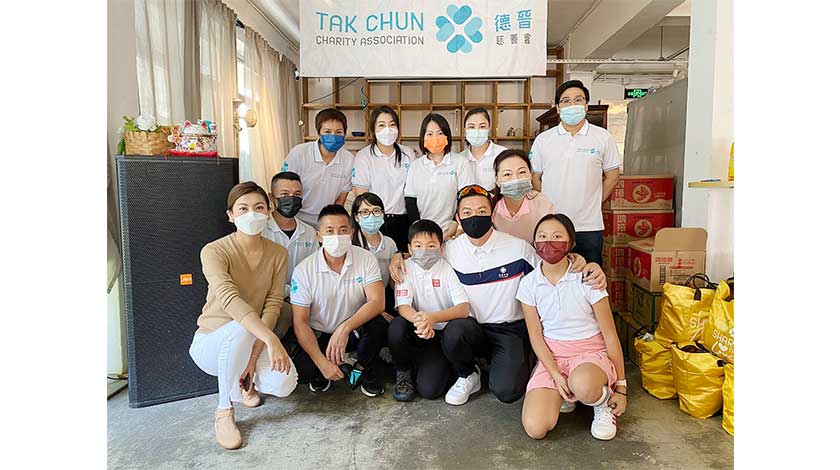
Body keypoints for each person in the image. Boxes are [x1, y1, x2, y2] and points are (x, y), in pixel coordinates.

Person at [389, 185, 607, 406]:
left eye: (482, 211)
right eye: (467, 212)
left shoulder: (517, 248)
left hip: (508, 329)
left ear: (492, 214)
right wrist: (397, 256)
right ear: (458, 218)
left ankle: (507, 366)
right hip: (471, 328)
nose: (475, 217)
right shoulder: (450, 250)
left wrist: (582, 262)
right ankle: (468, 373)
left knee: (507, 391)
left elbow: (551, 266)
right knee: (454, 331)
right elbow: (422, 252)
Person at [188, 182, 296, 450]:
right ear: (231, 215)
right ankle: (224, 409)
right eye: (243, 209)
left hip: (251, 340)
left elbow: (273, 303)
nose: (252, 214)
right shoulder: (214, 251)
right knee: (240, 326)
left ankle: (245, 382)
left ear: (268, 212)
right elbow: (230, 300)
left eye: (259, 208)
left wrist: (255, 357)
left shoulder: (278, 253)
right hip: (212, 343)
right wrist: (271, 340)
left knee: (284, 382)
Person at [517, 214, 627, 441]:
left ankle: (602, 401)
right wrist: (555, 374)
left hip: (590, 355)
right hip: (554, 357)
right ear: (534, 243)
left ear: (571, 244)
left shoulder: (588, 278)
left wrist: (622, 388)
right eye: (542, 236)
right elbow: (536, 336)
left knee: (583, 384)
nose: (549, 242)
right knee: (535, 428)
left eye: (557, 236)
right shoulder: (528, 284)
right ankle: (567, 393)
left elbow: (610, 334)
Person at [289, 204, 388, 397]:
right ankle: (327, 368)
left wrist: (345, 328)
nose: (336, 236)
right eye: (329, 231)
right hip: (321, 335)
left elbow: (377, 302)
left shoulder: (365, 258)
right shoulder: (304, 270)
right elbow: (300, 322)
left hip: (353, 331)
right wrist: (321, 363)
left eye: (343, 230)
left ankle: (360, 368)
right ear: (318, 236)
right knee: (303, 372)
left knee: (379, 325)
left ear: (351, 233)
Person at [529, 80, 622, 265]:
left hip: (588, 225)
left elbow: (612, 175)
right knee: (553, 274)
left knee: (589, 275)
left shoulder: (602, 137)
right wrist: (547, 204)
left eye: (578, 100)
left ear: (586, 105)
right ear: (558, 108)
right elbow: (535, 177)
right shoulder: (543, 140)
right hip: (553, 225)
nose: (572, 105)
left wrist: (595, 201)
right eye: (566, 101)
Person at [389, 219, 470, 402]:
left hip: (443, 334)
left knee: (430, 390)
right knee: (397, 326)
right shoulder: (405, 268)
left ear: (441, 248)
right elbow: (403, 306)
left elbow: (463, 308)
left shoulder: (447, 268)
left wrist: (432, 318)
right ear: (409, 249)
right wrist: (421, 321)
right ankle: (403, 373)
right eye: (418, 245)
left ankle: (451, 364)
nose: (424, 250)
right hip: (420, 330)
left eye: (431, 245)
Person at [352, 106, 418, 252]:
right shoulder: (363, 157)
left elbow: (414, 190)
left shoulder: (408, 154)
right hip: (375, 220)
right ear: (373, 129)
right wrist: (371, 218)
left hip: (403, 220)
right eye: (381, 125)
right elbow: (361, 195)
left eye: (392, 124)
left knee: (402, 260)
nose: (387, 129)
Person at [261, 171, 318, 337]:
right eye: (285, 194)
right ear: (272, 198)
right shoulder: (261, 230)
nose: (291, 199)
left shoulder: (309, 232)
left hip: (303, 297)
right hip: (268, 297)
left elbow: (313, 272)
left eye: (297, 195)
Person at [404, 113, 476, 241]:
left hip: (452, 231)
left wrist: (453, 228)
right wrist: (420, 230)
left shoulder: (460, 162)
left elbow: (466, 198)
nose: (435, 138)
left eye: (440, 133)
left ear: (447, 136)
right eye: (430, 134)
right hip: (424, 234)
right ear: (423, 138)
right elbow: (410, 201)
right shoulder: (416, 165)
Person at [281, 108, 354, 227]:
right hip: (297, 218)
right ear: (319, 133)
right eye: (327, 131)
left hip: (326, 220)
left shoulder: (348, 159)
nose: (333, 136)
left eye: (338, 132)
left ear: (344, 133)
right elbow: (284, 188)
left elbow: (340, 200)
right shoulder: (299, 153)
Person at [350, 192, 399, 320]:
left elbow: (393, 281)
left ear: (382, 214)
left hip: (383, 299)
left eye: (376, 211)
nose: (371, 216)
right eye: (365, 212)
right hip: (355, 306)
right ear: (356, 217)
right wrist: (376, 311)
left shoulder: (390, 243)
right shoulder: (350, 245)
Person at [491, 149, 555, 243]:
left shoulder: (542, 203)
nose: (516, 179)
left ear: (530, 175)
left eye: (522, 172)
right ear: (497, 180)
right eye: (507, 174)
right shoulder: (490, 206)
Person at [459, 107, 508, 191]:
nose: (477, 131)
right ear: (465, 129)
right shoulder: (460, 158)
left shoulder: (503, 154)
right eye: (471, 127)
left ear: (489, 127)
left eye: (482, 126)